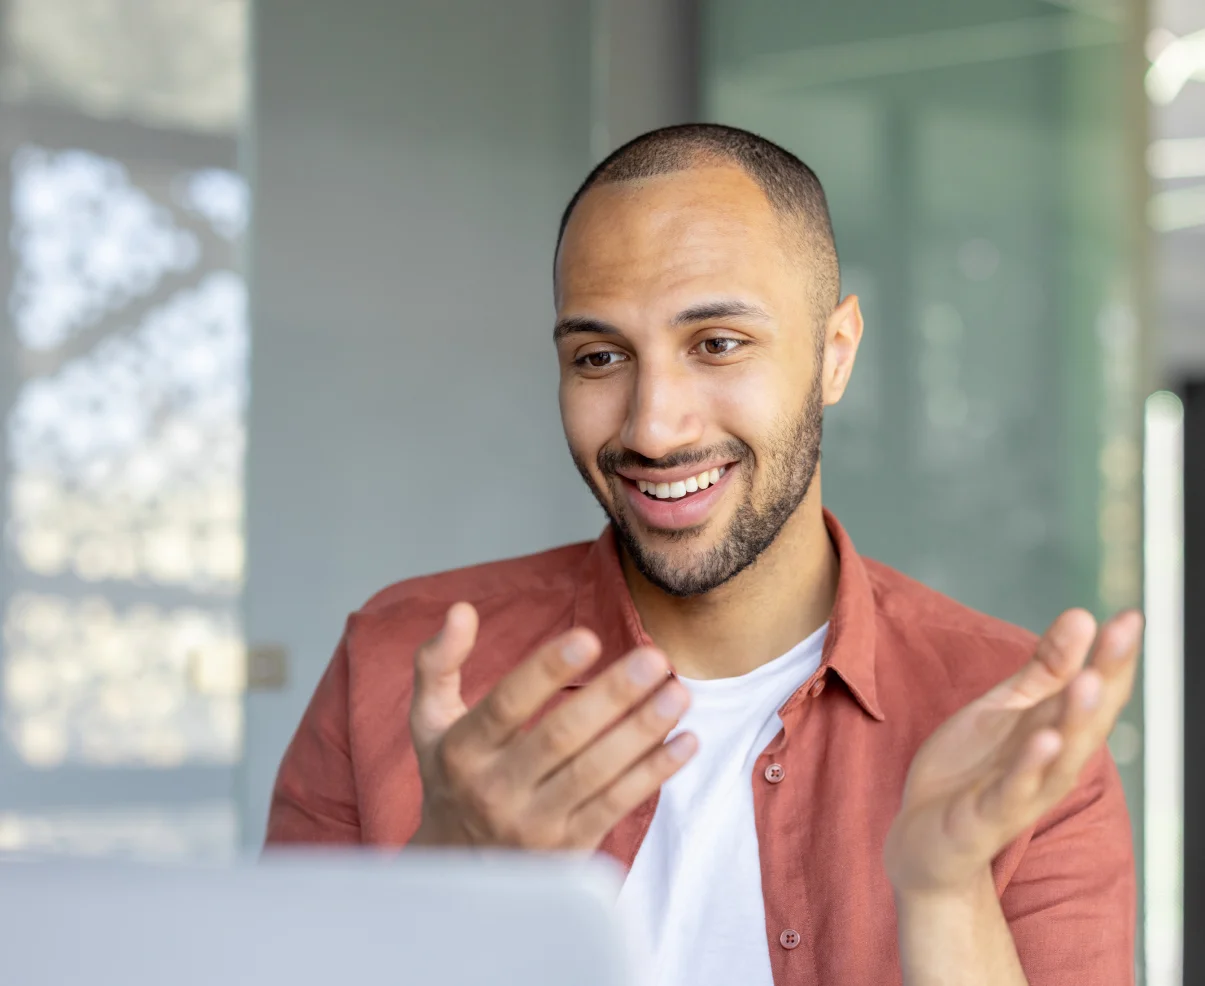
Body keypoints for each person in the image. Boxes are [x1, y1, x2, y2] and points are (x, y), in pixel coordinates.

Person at [266, 124, 1140, 986]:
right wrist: (436, 906)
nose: (652, 426)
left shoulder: (1016, 735)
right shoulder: (394, 667)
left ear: (833, 354)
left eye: (717, 344)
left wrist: (946, 897)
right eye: (600, 357)